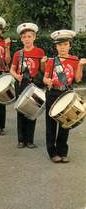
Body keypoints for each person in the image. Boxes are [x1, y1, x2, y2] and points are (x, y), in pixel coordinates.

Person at [43, 30, 86, 163]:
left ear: (70, 46)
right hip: (53, 93)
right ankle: (52, 152)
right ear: (56, 47)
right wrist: (47, 81)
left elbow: (77, 79)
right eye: (60, 45)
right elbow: (45, 78)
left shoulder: (74, 60)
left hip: (66, 93)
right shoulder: (51, 61)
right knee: (51, 124)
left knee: (65, 123)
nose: (62, 47)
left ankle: (62, 151)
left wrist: (80, 66)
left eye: (65, 44)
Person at [10, 23, 46, 148]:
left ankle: (30, 140)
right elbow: (12, 70)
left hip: (34, 84)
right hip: (21, 84)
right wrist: (17, 76)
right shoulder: (18, 54)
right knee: (21, 111)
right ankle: (21, 140)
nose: (27, 39)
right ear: (21, 39)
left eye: (29, 36)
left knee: (32, 111)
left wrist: (43, 63)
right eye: (24, 37)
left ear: (34, 37)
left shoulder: (40, 52)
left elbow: (43, 70)